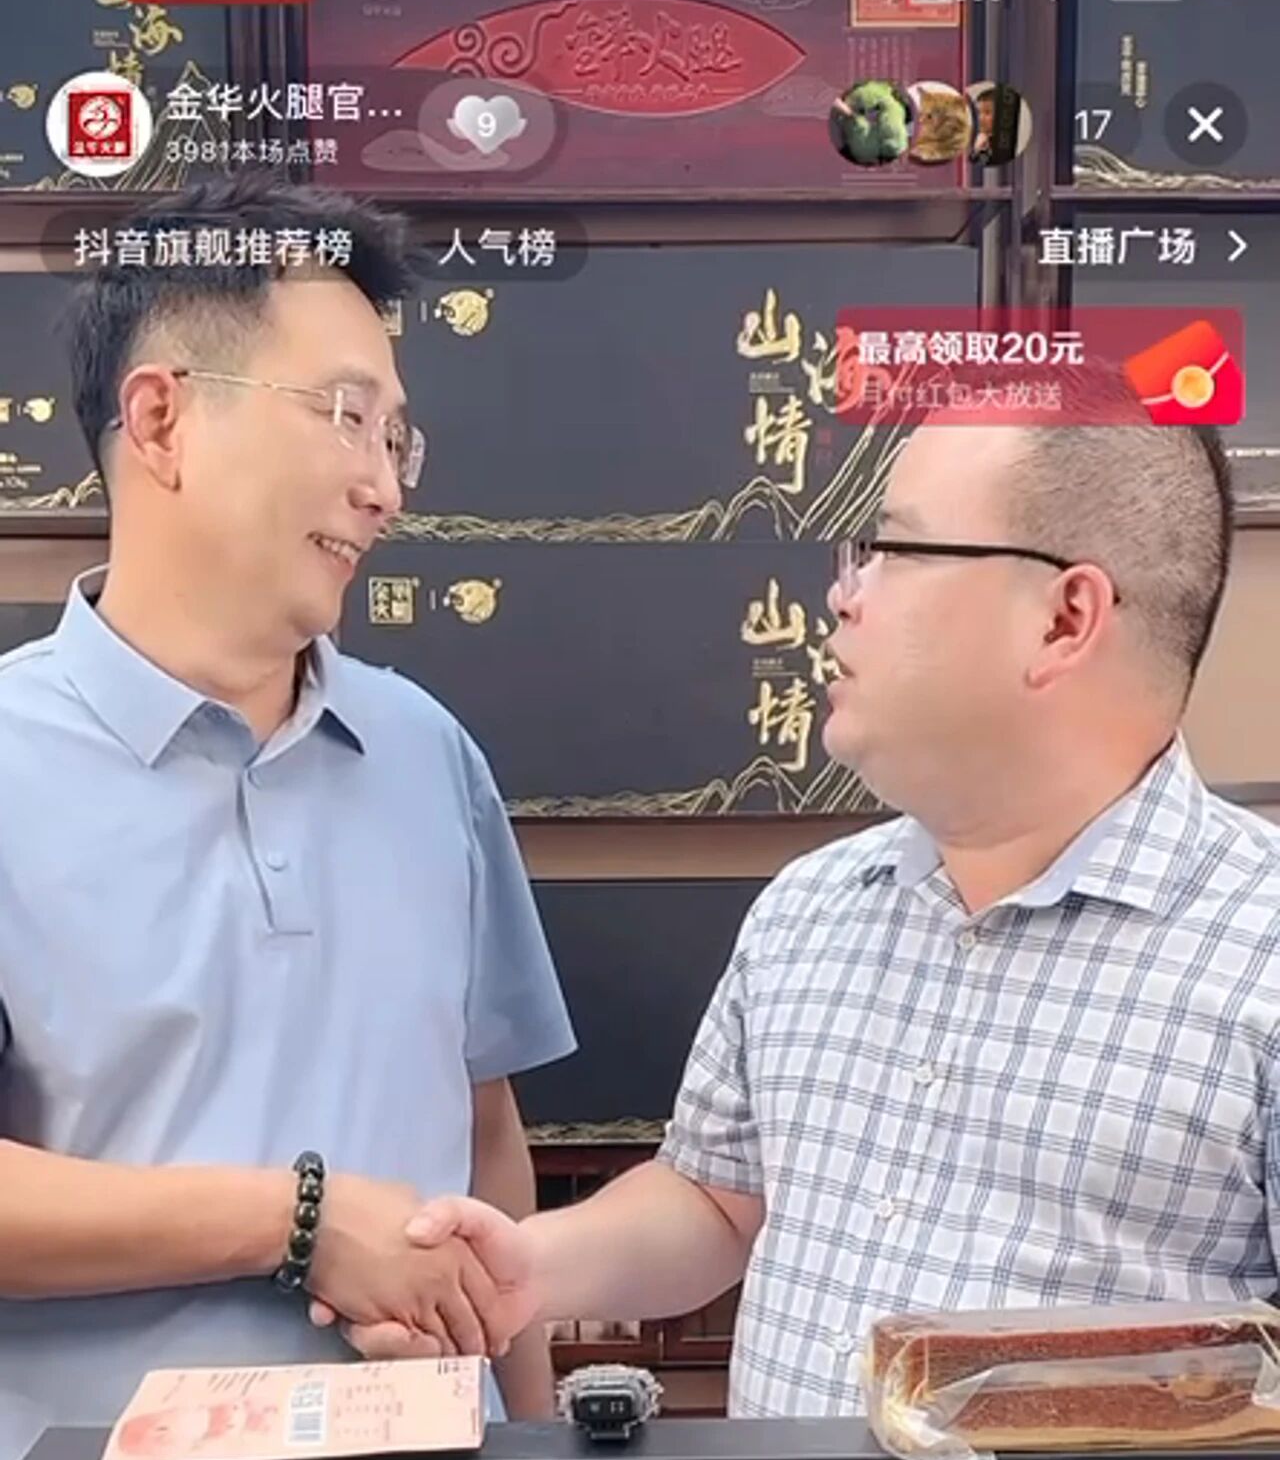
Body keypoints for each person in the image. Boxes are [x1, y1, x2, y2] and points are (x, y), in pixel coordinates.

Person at [332, 418, 1280, 1403]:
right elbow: (717, 1202)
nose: (843, 593)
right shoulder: (811, 907)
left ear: (1061, 620)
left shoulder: (1257, 951)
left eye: (893, 549)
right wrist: (527, 1267)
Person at [0, 175, 574, 1460]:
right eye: (343, 416)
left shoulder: (427, 752)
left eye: (397, 435)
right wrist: (296, 1218)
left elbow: (485, 1141)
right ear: (162, 420)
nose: (385, 485)